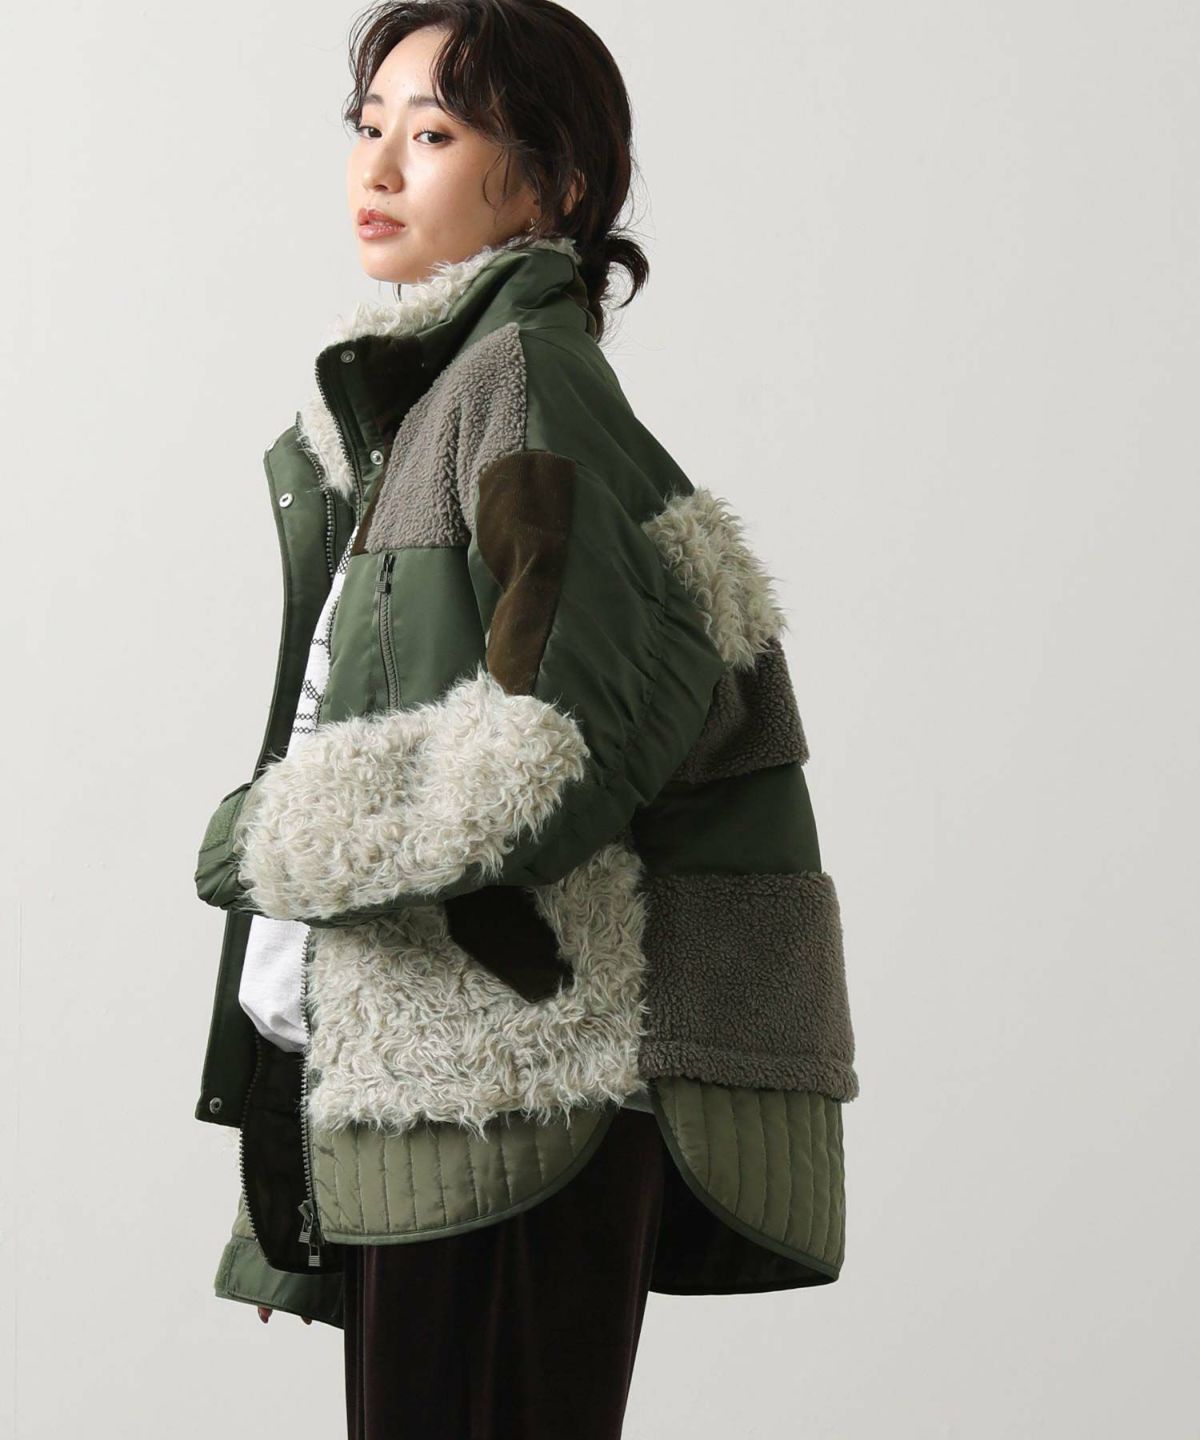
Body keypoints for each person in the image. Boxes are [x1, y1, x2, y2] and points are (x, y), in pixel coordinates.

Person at [193, 3, 861, 1437]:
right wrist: (294, 1178)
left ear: (554, 184)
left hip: (515, 1087)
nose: (379, 166)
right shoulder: (427, 404)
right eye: (369, 126)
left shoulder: (520, 385)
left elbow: (550, 752)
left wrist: (270, 841)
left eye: (433, 134)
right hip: (440, 1085)